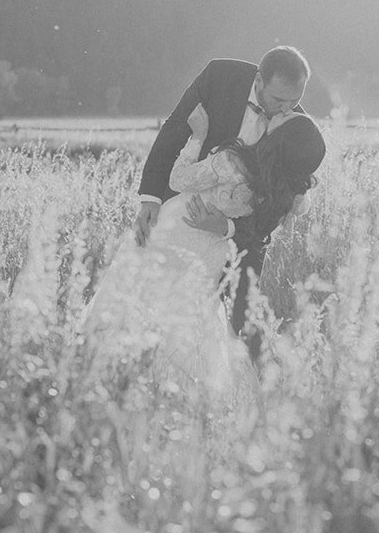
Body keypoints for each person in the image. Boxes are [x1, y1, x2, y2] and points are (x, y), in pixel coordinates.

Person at [82, 106, 324, 421]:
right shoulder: (290, 192)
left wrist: (196, 139)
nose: (284, 111)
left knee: (141, 298)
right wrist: (228, 228)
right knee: (189, 317)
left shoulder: (232, 162)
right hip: (212, 250)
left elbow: (178, 178)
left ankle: (120, 383)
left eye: (286, 117)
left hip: (178, 230)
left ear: (282, 136)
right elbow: (265, 225)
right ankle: (179, 396)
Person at [135, 47, 325, 353]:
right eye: (279, 100)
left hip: (246, 236)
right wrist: (150, 197)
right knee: (162, 301)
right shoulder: (219, 76)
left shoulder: (295, 127)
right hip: (187, 220)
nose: (287, 109)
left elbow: (276, 208)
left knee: (242, 324)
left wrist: (227, 228)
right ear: (260, 81)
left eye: (296, 100)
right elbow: (174, 129)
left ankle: (261, 387)